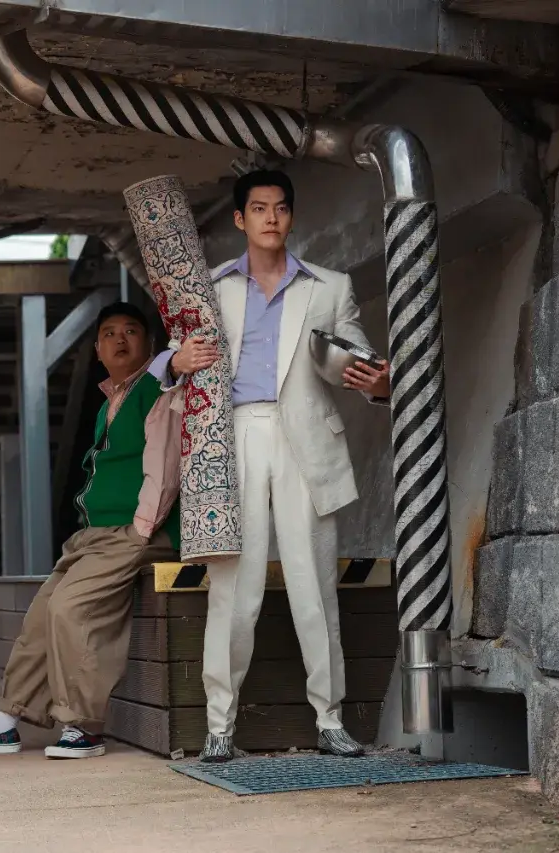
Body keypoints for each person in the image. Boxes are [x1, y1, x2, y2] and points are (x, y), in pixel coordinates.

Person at [151, 169, 390, 762]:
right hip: (231, 438)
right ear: (240, 219)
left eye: (280, 208)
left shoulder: (330, 286)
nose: (271, 218)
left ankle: (330, 719)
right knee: (234, 590)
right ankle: (220, 726)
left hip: (304, 438)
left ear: (291, 216)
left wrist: (376, 380)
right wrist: (175, 361)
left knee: (316, 586)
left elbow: (351, 353)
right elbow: (169, 358)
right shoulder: (208, 286)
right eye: (259, 208)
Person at [0, 301, 182, 759]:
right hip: (96, 534)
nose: (120, 339)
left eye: (131, 331)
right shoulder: (110, 402)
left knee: (70, 609)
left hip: (135, 531)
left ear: (150, 344)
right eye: (109, 333)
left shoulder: (156, 391)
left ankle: (83, 726)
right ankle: (5, 721)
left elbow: (164, 465)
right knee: (40, 615)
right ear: (98, 350)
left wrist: (140, 531)